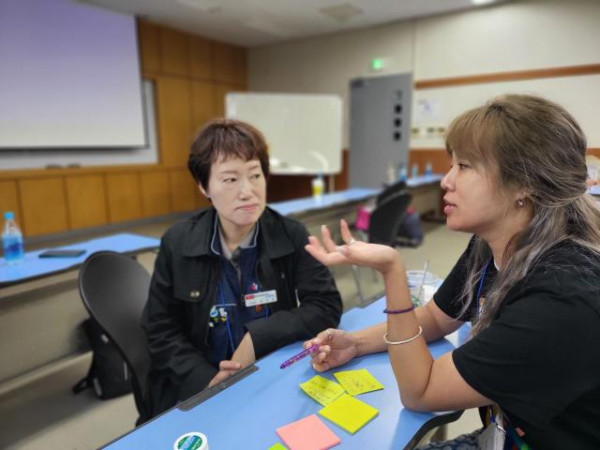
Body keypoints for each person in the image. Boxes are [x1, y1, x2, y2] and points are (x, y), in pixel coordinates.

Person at [303, 95, 600, 449]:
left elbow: (420, 390)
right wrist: (356, 343)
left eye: (465, 166)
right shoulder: (493, 243)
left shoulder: (563, 297)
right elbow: (435, 317)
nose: (446, 180)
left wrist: (392, 272)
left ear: (523, 184)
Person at [141, 118, 342, 421]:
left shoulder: (290, 234)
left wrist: (256, 338)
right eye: (230, 179)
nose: (248, 191)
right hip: (199, 387)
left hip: (270, 375)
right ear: (203, 186)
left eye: (255, 175)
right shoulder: (179, 243)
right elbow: (159, 328)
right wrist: (204, 378)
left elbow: (325, 305)